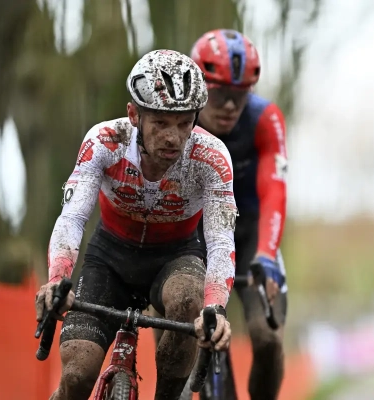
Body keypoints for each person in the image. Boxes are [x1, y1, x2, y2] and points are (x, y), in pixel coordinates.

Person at [33, 49, 237, 400]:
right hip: (109, 258)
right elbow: (73, 216)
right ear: (134, 115)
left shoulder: (211, 157)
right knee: (78, 374)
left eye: (184, 123)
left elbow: (221, 240)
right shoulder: (104, 141)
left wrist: (215, 308)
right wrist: (56, 279)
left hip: (176, 258)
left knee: (190, 299)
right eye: (160, 123)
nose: (173, 137)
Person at [192, 29, 289, 400]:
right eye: (219, 95)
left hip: (249, 232)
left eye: (241, 95)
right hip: (196, 234)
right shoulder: (179, 120)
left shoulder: (265, 118)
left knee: (267, 339)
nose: (230, 106)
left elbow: (274, 190)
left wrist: (267, 254)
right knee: (204, 334)